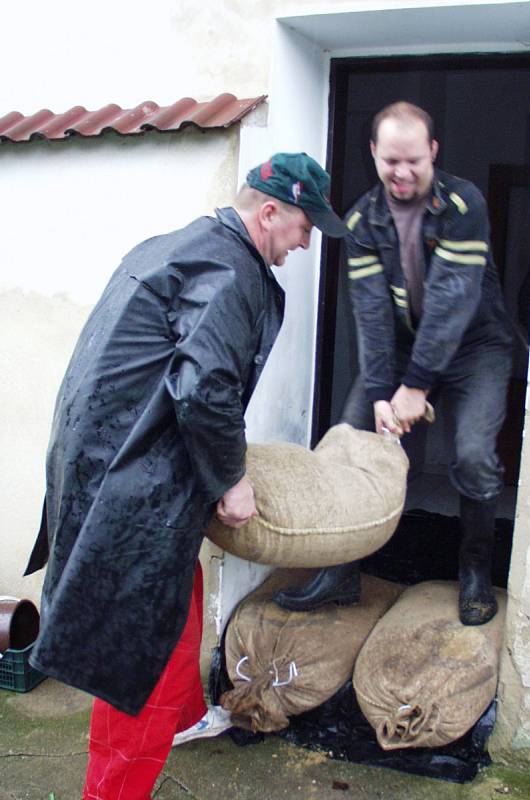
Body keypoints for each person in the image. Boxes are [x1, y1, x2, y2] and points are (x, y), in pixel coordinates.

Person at [23, 152, 347, 799]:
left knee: (179, 593)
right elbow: (205, 388)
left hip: (97, 466)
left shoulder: (178, 248)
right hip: (131, 485)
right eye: (305, 225)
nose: (307, 241)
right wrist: (230, 478)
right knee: (135, 651)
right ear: (269, 211)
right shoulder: (229, 270)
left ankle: (186, 715)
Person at [274, 103, 514, 626]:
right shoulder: (361, 221)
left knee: (473, 458)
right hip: (404, 352)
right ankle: (338, 572)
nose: (401, 173)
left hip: (477, 347)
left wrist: (416, 387)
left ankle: (475, 569)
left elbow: (453, 299)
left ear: (432, 152)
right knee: (346, 444)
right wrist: (385, 391)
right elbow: (371, 313)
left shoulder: (463, 203)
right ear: (374, 156)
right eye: (390, 161)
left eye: (412, 160)